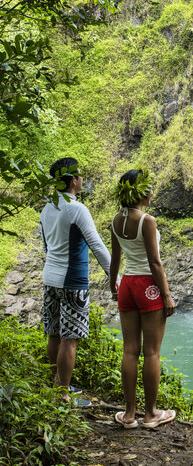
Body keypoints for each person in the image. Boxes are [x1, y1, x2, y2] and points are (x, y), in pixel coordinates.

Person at [40, 157, 114, 407]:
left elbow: (45, 247)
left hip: (50, 278)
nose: (82, 179)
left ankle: (56, 384)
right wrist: (115, 277)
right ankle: (63, 394)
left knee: (54, 333)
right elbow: (97, 245)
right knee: (70, 338)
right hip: (73, 281)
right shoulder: (77, 209)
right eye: (80, 175)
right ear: (73, 181)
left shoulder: (47, 208)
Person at [109, 167, 176, 430]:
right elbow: (155, 262)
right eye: (148, 187)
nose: (152, 191)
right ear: (140, 192)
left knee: (129, 350)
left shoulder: (116, 220)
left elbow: (116, 257)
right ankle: (150, 415)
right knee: (151, 352)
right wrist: (167, 296)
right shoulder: (147, 221)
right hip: (148, 285)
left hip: (127, 283)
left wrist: (112, 283)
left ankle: (128, 415)